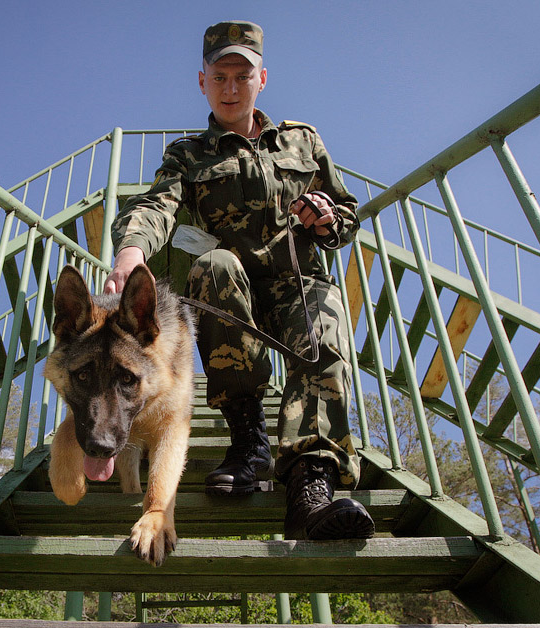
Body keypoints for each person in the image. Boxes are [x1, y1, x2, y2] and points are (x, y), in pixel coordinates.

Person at [104, 20, 374, 541]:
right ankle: (248, 436)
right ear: (202, 81)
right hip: (232, 288)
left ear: (262, 79)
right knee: (214, 266)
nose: (231, 88)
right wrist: (130, 252)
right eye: (220, 76)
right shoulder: (189, 154)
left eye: (242, 76)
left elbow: (345, 213)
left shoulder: (303, 140)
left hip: (296, 282)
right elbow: (158, 205)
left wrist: (326, 217)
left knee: (323, 314)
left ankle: (310, 484)